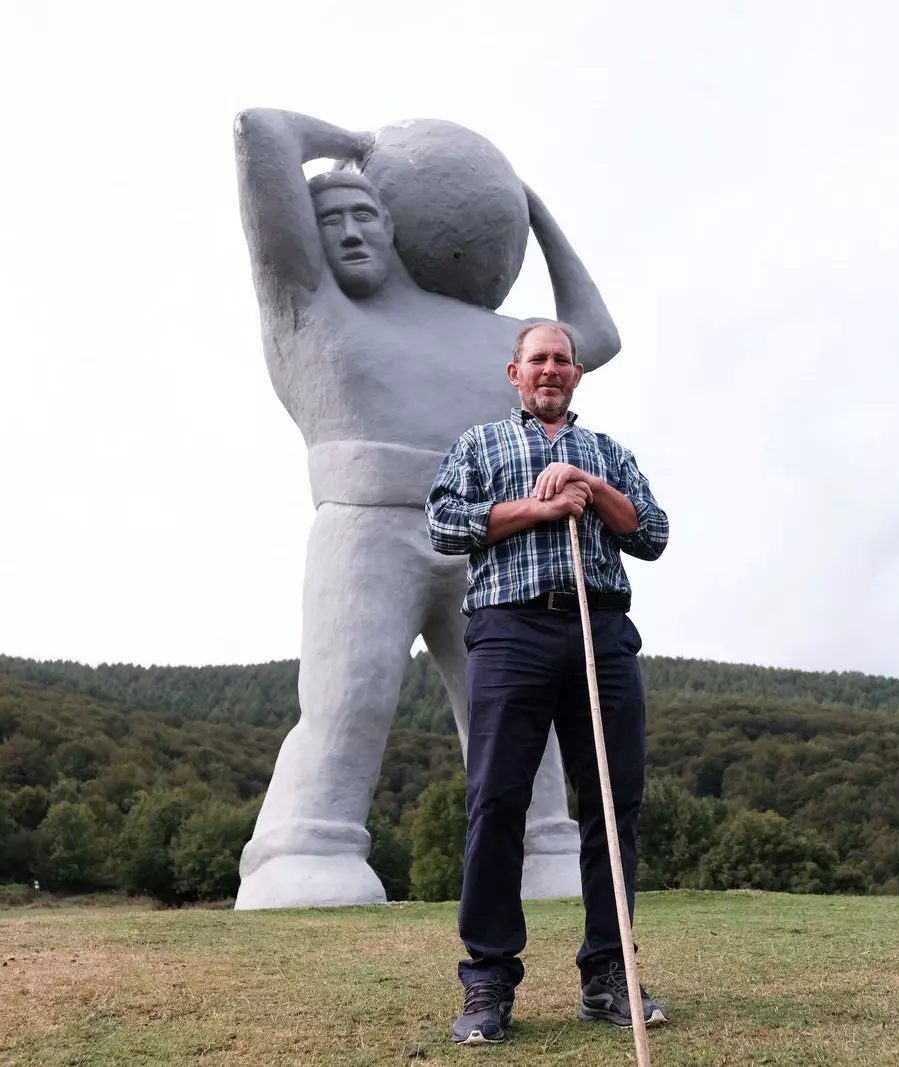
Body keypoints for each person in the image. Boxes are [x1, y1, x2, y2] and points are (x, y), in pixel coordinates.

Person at [230, 108, 622, 907]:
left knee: (513, 709)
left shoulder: (485, 336)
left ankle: (544, 847)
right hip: (367, 522)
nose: (349, 236)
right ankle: (309, 843)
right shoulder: (307, 302)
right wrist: (359, 150)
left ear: (399, 227)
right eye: (329, 221)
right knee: (351, 693)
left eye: (367, 215)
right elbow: (259, 132)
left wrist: (531, 207)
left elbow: (596, 334)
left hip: (488, 536)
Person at [426, 321, 670, 1045]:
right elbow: (443, 524)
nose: (551, 369)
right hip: (510, 631)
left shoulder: (607, 453)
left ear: (577, 373)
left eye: (563, 359)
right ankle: (489, 981)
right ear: (515, 373)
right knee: (498, 799)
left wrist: (589, 488)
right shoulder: (478, 445)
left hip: (600, 630)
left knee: (611, 803)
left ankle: (607, 975)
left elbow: (651, 533)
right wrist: (540, 507)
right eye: (538, 359)